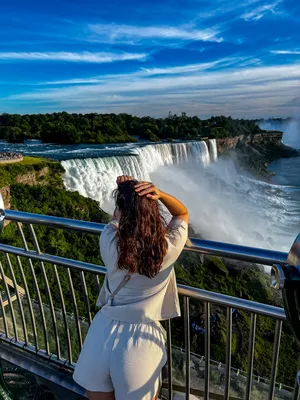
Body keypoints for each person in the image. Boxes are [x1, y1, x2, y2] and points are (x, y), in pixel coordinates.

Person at [73, 175, 189, 400]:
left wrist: (125, 191)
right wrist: (160, 194)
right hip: (140, 341)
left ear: (121, 211)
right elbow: (181, 214)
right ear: (153, 212)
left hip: (102, 332)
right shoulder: (167, 248)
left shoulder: (108, 241)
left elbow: (115, 221)